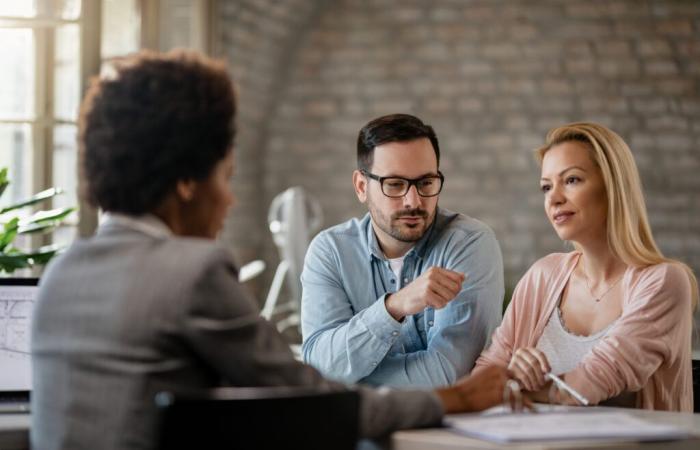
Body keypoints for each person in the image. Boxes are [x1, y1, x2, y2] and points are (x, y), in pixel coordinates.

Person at [30, 51, 509, 450]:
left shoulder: (61, 274)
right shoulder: (191, 273)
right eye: (226, 177)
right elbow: (310, 398)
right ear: (185, 184)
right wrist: (455, 399)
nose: (230, 199)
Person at [475, 122, 698, 411]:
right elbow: (479, 381)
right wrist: (508, 376)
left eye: (572, 180)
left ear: (613, 186)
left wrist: (514, 385)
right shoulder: (542, 276)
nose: (553, 198)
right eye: (546, 186)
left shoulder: (664, 282)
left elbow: (586, 387)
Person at [301, 113, 504, 388]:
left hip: (448, 427)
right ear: (362, 187)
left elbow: (451, 375)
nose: (414, 201)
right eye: (395, 184)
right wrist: (393, 307)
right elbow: (318, 366)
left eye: (425, 183)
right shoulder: (331, 252)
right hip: (361, 427)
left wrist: (347, 380)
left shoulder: (468, 243)